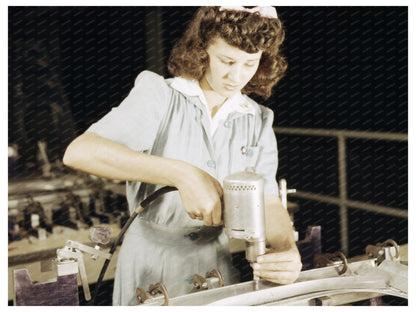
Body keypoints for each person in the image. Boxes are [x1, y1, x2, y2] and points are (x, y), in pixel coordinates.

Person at [63, 6, 302, 306]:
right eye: (226, 61)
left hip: (218, 261)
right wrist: (182, 174)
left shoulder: (256, 118)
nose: (236, 76)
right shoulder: (161, 97)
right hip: (152, 263)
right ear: (202, 50)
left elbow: (267, 201)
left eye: (249, 64)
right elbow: (80, 152)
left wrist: (286, 250)